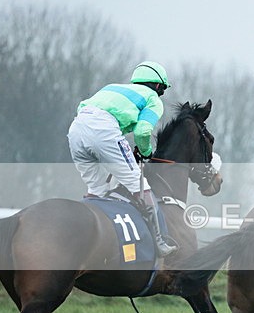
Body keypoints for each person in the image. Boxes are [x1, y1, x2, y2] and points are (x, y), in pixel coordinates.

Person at [67, 61, 177, 257]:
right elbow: (143, 131)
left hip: (76, 129)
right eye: (162, 91)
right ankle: (161, 241)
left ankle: (91, 241)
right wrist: (145, 152)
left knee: (98, 190)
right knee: (139, 184)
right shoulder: (152, 98)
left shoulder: (112, 87)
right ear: (158, 86)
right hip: (104, 130)